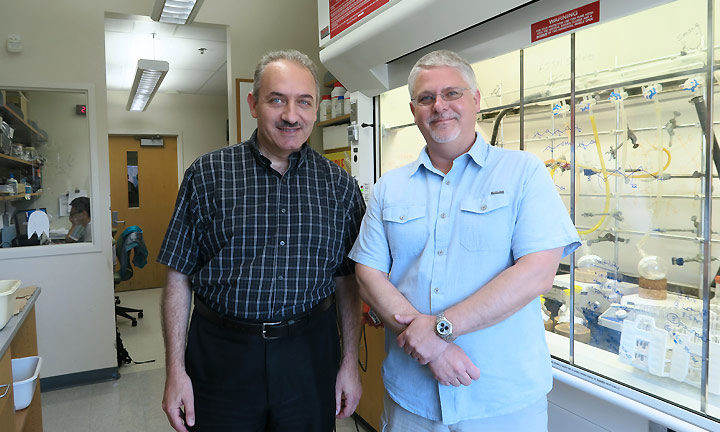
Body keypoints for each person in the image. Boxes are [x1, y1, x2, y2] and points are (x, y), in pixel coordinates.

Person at [349, 50, 581, 431]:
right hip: (412, 401)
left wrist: (441, 330)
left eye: (452, 93)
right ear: (413, 110)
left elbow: (538, 272)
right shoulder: (390, 187)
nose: (439, 106)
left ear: (475, 100)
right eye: (426, 98)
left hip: (501, 402)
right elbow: (368, 274)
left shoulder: (524, 173)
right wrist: (433, 349)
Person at [157, 49, 365, 432]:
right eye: (277, 100)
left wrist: (349, 362)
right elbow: (177, 279)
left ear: (316, 108)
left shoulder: (339, 186)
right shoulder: (207, 175)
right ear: (253, 104)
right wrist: (175, 371)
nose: (291, 115)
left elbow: (346, 282)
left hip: (309, 354)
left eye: (303, 102)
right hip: (222, 355)